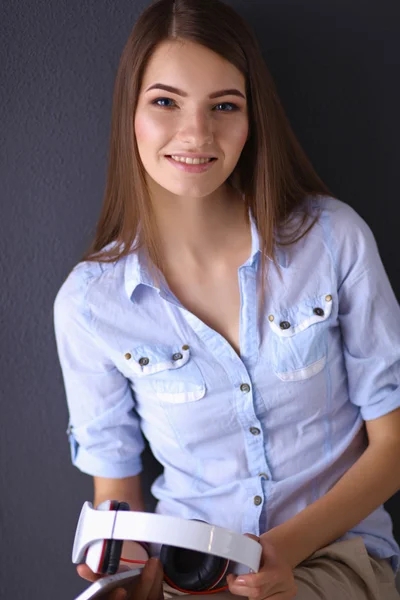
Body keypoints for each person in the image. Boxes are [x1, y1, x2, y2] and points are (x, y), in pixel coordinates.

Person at [53, 0, 400, 598]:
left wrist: (278, 553)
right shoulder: (89, 304)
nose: (196, 134)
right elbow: (117, 496)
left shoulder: (334, 241)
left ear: (251, 119)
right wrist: (121, 570)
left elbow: (392, 444)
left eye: (224, 107)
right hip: (187, 573)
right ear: (130, 112)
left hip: (334, 556)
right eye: (165, 102)